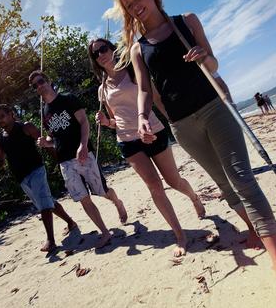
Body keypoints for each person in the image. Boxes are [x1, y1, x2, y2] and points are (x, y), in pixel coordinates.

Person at [111, 0, 276, 297]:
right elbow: (145, 89)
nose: (134, 5)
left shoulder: (186, 21)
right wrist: (144, 116)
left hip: (215, 108)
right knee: (224, 183)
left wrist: (203, 56)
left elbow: (213, 65)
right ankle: (255, 227)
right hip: (181, 125)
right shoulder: (137, 48)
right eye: (128, 3)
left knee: (242, 178)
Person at [88, 37, 207, 256]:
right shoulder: (102, 89)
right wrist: (106, 123)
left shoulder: (134, 70)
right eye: (95, 54)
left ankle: (194, 198)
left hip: (153, 130)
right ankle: (180, 236)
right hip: (127, 140)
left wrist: (174, 120)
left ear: (112, 49)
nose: (100, 55)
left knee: (174, 181)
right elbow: (115, 121)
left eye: (103, 49)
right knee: (154, 186)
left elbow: (156, 97)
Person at [30, 70, 126, 249]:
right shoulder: (45, 113)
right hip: (65, 162)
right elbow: (54, 139)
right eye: (35, 85)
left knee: (101, 191)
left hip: (84, 155)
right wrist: (46, 143)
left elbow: (84, 122)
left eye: (41, 81)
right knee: (83, 198)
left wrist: (83, 145)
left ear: (49, 81)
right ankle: (105, 232)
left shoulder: (68, 99)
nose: (39, 86)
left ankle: (117, 202)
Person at [0, 104, 77, 252]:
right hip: (21, 177)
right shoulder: (0, 138)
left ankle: (51, 240)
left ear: (11, 113)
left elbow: (46, 145)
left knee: (43, 204)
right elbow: (0, 159)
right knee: (47, 202)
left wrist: (59, 160)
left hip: (36, 169)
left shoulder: (26, 127)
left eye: (2, 116)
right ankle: (71, 222)